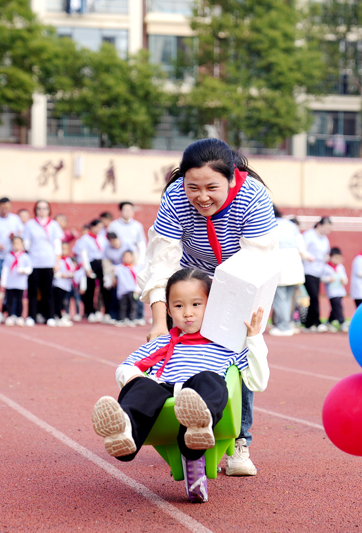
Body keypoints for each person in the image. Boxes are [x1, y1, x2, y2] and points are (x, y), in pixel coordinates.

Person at [137, 138, 278, 478]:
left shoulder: (253, 197)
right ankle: (186, 425)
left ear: (231, 179)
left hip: (243, 275)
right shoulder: (173, 198)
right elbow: (163, 261)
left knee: (238, 352)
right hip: (192, 274)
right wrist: (159, 319)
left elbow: (258, 260)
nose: (201, 197)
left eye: (212, 187)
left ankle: (239, 441)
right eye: (193, 187)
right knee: (185, 346)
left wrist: (242, 321)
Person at [91, 268, 269, 502]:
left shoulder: (228, 346)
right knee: (142, 386)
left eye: (196, 304)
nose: (187, 314)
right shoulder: (162, 343)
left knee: (210, 378)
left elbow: (258, 381)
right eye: (178, 306)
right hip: (164, 396)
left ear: (212, 306)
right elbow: (125, 367)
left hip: (203, 402)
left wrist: (254, 339)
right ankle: (125, 433)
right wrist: (135, 378)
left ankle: (198, 425)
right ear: (167, 310)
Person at [270, 206, 309, 337]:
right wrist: (306, 255)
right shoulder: (291, 225)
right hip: (294, 262)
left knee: (280, 298)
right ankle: (287, 323)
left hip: (280, 260)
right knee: (288, 297)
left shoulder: (269, 223)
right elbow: (300, 244)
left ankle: (283, 326)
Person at [23, 200, 63, 327]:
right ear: (35, 210)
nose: (42, 211)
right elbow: (26, 244)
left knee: (48, 292)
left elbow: (57, 245)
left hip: (48, 262)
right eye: (39, 208)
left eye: (44, 208)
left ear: (49, 210)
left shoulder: (54, 225)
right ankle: (31, 316)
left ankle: (49, 316)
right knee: (33, 291)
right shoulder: (30, 224)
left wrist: (57, 262)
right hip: (34, 262)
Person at [108, 202, 147, 325]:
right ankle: (116, 316)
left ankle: (138, 316)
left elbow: (142, 244)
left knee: (137, 290)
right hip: (119, 264)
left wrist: (140, 262)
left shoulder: (137, 226)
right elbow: (109, 243)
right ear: (120, 211)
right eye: (125, 210)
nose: (128, 212)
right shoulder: (113, 226)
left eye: (130, 210)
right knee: (118, 292)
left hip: (133, 263)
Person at [74, 219, 109, 323]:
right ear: (92, 227)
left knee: (104, 288)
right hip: (91, 263)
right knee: (90, 289)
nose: (99, 229)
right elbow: (83, 254)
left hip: (102, 263)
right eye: (97, 227)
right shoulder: (85, 239)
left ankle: (105, 312)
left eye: (100, 227)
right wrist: (87, 269)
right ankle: (89, 311)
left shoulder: (102, 238)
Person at [301, 217, 332, 332]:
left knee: (314, 297)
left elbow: (326, 254)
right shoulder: (310, 235)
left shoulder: (325, 239)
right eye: (327, 227)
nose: (328, 230)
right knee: (314, 297)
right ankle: (317, 322)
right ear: (319, 225)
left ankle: (309, 323)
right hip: (308, 271)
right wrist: (308, 257)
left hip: (318, 272)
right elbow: (302, 248)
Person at [0, 235, 33, 327]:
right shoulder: (8, 256)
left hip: (20, 283)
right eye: (15, 243)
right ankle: (10, 316)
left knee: (19, 300)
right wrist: (3, 282)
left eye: (18, 243)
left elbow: (30, 268)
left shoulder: (25, 256)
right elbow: (5, 269)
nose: (16, 245)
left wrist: (23, 270)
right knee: (9, 300)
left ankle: (19, 316)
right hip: (10, 282)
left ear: (22, 244)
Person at [320, 247, 348, 332]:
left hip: (340, 290)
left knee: (335, 308)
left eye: (339, 258)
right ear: (330, 257)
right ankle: (342, 322)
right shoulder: (326, 267)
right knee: (338, 307)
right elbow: (322, 278)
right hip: (332, 291)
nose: (337, 260)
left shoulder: (341, 267)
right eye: (335, 258)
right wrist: (329, 279)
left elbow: (345, 278)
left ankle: (329, 322)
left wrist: (344, 280)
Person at [52, 241, 76, 327]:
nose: (64, 251)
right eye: (62, 249)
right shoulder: (57, 260)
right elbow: (56, 273)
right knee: (58, 301)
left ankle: (63, 314)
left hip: (67, 285)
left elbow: (72, 270)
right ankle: (58, 316)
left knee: (66, 301)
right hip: (59, 284)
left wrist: (71, 274)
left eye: (66, 249)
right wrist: (64, 275)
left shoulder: (68, 260)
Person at [114, 250, 140, 327]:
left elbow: (138, 279)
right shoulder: (119, 268)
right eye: (125, 256)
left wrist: (138, 289)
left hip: (133, 290)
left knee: (133, 305)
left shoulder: (136, 268)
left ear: (132, 257)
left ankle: (132, 319)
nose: (127, 258)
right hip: (123, 290)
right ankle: (122, 318)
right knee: (123, 305)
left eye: (129, 256)